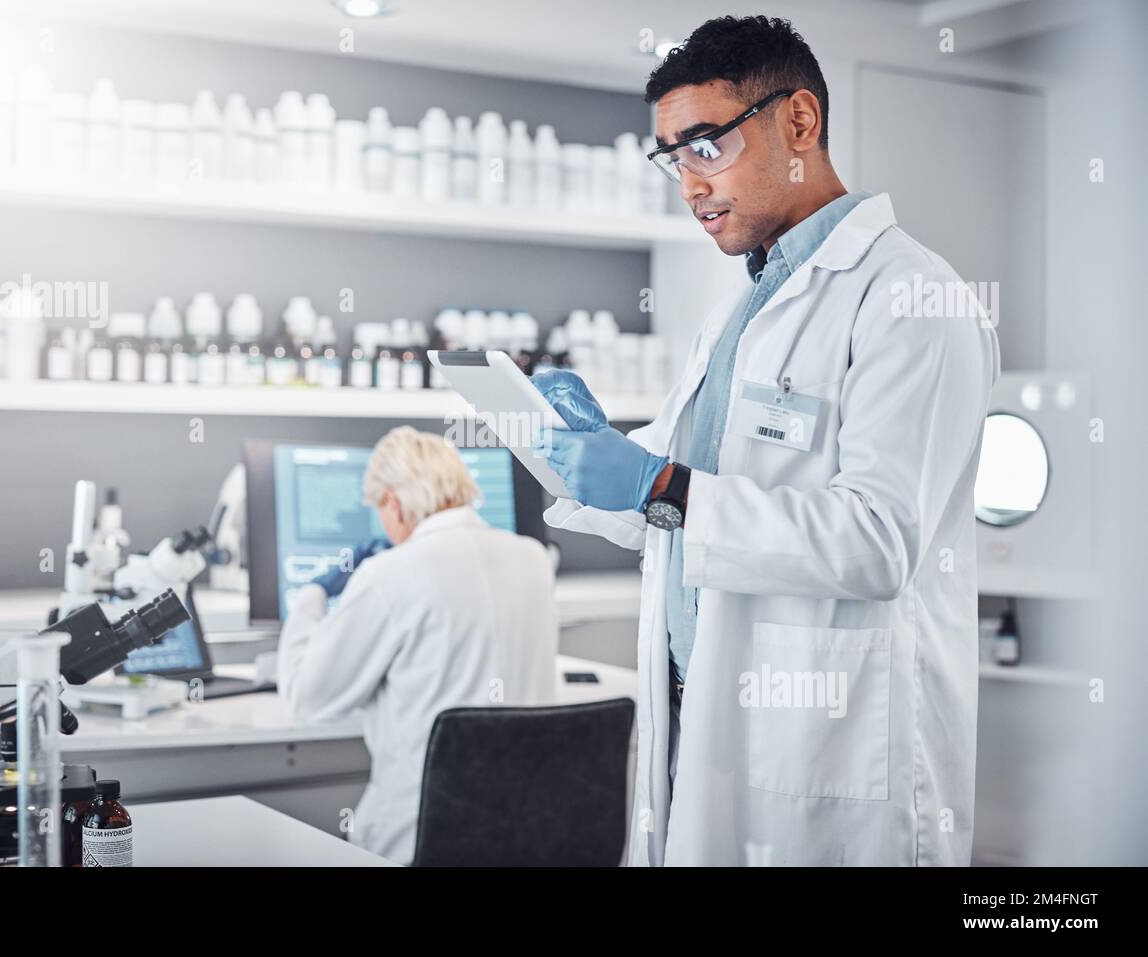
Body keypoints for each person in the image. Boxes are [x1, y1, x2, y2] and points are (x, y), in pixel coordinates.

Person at [533, 15, 999, 866]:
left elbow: (876, 540)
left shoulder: (909, 298)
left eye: (706, 144)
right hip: (701, 714)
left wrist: (659, 484)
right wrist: (587, 453)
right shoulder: (738, 312)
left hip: (832, 756)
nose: (689, 183)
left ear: (799, 122)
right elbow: (686, 503)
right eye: (672, 156)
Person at [276, 426, 558, 864]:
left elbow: (307, 698)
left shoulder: (388, 573)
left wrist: (313, 594)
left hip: (418, 838)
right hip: (526, 831)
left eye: (380, 510)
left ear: (393, 502)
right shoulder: (534, 560)